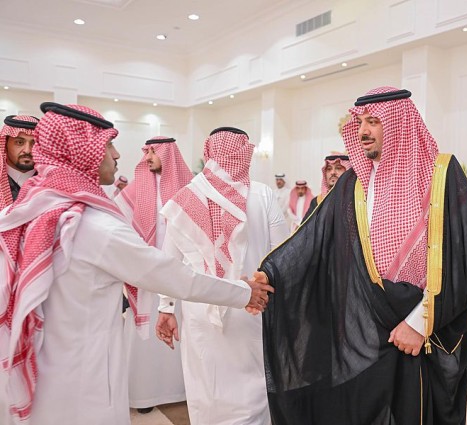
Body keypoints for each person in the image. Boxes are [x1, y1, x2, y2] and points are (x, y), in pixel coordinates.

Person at [0, 103, 273, 425]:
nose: (117, 155)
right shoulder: (91, 225)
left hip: (36, 367)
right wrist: (244, 292)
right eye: (108, 146)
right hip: (81, 381)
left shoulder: (32, 208)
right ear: (83, 153)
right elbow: (171, 275)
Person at [254, 87, 467, 425]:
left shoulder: (441, 174)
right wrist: (270, 275)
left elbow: (466, 257)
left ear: (398, 122)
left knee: (413, 411)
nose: (363, 130)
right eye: (360, 122)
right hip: (365, 319)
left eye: (373, 121)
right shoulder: (353, 182)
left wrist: (420, 323)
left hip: (417, 325)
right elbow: (313, 239)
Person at [156, 127, 288, 425]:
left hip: (201, 307)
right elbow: (283, 253)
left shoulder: (185, 197)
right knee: (253, 386)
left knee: (206, 384)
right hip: (255, 304)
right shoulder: (263, 194)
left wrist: (166, 307)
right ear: (245, 153)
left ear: (209, 152)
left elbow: (169, 263)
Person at [114, 136, 193, 414]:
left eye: (153, 152)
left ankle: (182, 390)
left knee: (183, 329)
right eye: (145, 151)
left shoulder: (189, 188)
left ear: (168, 154)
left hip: (181, 273)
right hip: (147, 274)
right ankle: (144, 395)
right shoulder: (136, 188)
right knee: (146, 335)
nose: (147, 157)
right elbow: (118, 223)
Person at [0, 115, 39, 209]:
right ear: (5, 145)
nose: (27, 150)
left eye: (34, 143)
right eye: (19, 142)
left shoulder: (53, 182)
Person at [302, 153, 351, 221]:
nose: (332, 172)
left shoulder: (356, 200)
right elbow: (306, 226)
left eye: (338, 168)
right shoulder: (318, 202)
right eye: (329, 169)